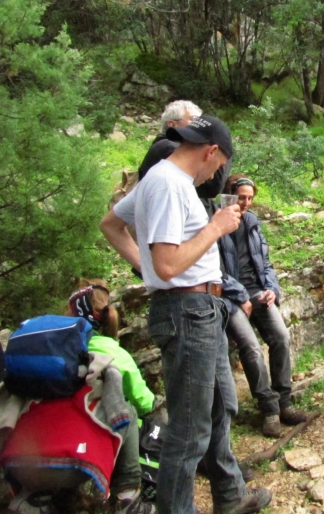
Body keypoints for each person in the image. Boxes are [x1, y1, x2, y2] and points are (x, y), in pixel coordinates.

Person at [100, 116, 271, 514]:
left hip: (202, 308)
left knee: (218, 407)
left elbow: (111, 225)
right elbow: (167, 265)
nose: (217, 174)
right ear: (212, 152)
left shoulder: (165, 180)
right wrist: (214, 229)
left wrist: (144, 266)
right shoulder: (168, 184)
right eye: (219, 165)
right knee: (188, 429)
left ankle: (228, 498)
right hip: (187, 310)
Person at [219, 175, 310, 438]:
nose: (246, 203)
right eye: (241, 198)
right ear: (230, 195)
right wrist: (239, 295)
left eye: (250, 197)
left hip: (258, 292)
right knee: (251, 347)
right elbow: (215, 269)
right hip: (230, 297)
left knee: (281, 336)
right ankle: (268, 408)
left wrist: (272, 289)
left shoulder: (251, 221)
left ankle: (284, 402)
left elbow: (265, 262)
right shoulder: (217, 222)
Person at [66, 280, 156, 514]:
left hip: (53, 433)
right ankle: (128, 497)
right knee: (129, 412)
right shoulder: (113, 350)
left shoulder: (59, 347)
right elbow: (144, 401)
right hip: (96, 433)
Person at [138, 101, 203, 181]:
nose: (199, 125)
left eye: (200, 120)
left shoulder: (165, 144)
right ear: (172, 124)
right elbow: (212, 186)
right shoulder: (168, 148)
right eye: (194, 119)